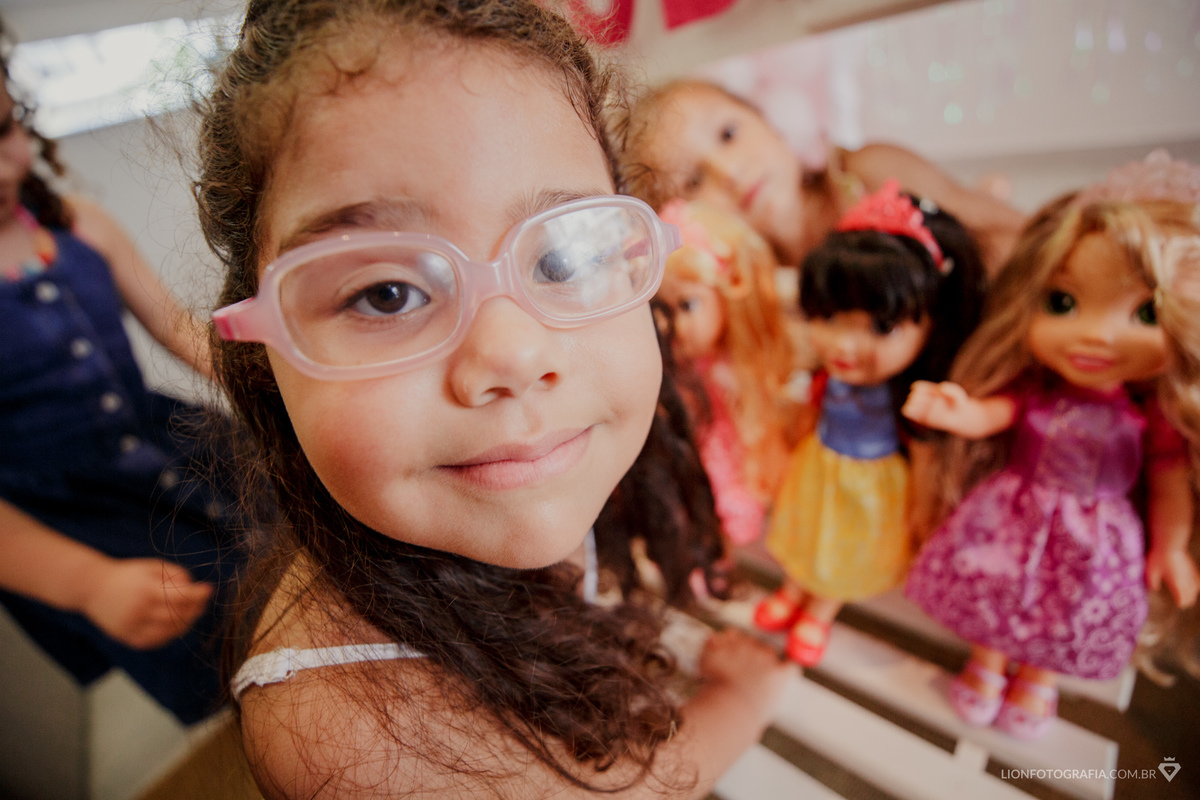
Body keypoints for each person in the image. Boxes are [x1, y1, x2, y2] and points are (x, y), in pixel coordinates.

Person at [197, 0, 796, 796]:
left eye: (564, 256)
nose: (514, 355)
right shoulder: (342, 734)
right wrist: (740, 700)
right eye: (385, 293)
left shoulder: (528, 468)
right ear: (264, 348)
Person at [901, 150, 1200, 740]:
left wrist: (1172, 546)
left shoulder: (1150, 417)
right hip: (1014, 512)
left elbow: (1167, 476)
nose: (1096, 333)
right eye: (1062, 303)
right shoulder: (1036, 391)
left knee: (1066, 611)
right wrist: (962, 412)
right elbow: (999, 412)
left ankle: (1036, 679)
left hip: (1098, 539)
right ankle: (986, 666)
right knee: (996, 587)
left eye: (1143, 313)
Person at [0, 19, 240, 724]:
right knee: (225, 639)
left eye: (5, 130)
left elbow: (177, 330)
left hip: (180, 445)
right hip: (86, 524)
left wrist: (272, 382)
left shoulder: (79, 223)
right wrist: (87, 584)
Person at [753, 180, 986, 667]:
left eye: (881, 326)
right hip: (818, 469)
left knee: (843, 554)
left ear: (932, 325)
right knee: (806, 534)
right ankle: (794, 589)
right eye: (831, 317)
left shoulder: (914, 401)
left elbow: (924, 455)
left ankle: (820, 609)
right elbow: (806, 413)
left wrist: (923, 513)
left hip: (872, 489)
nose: (844, 345)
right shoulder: (823, 379)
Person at [617, 79, 1026, 276]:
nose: (729, 172)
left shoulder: (867, 174)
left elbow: (1015, 235)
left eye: (728, 134)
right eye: (692, 182)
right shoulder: (762, 291)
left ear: (768, 123)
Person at [654, 199, 796, 547]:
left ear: (727, 299)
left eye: (687, 304)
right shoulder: (668, 362)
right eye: (656, 306)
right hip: (681, 448)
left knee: (720, 498)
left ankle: (718, 550)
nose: (666, 323)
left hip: (724, 449)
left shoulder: (732, 369)